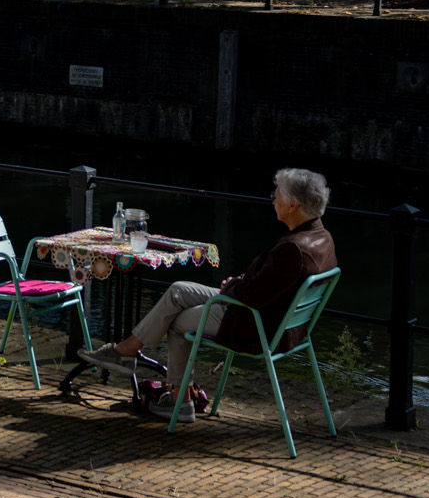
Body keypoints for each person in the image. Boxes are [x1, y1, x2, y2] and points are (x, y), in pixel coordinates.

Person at [81, 168, 337, 423]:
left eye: (277, 194)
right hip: (272, 317)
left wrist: (231, 287)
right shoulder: (321, 237)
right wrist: (237, 284)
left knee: (178, 322)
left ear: (293, 204)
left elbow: (252, 296)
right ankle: (128, 352)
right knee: (179, 290)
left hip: (254, 322)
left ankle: (179, 401)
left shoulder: (293, 248)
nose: (273, 199)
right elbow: (265, 288)